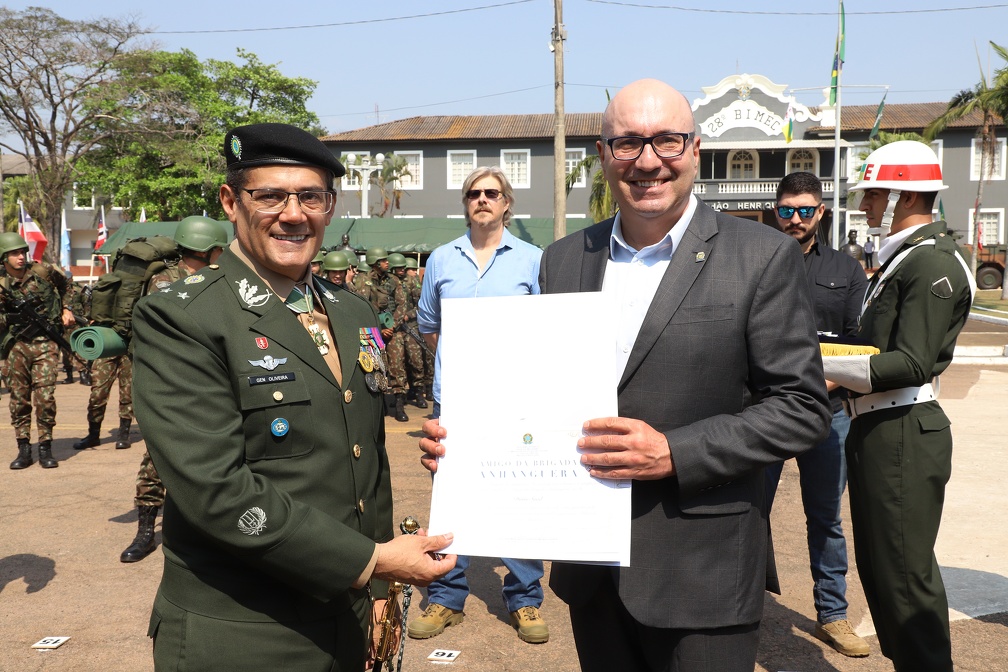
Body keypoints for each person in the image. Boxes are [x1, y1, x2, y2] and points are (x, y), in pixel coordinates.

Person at [421, 80, 830, 670]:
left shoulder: (761, 256)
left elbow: (801, 407)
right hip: (592, 572)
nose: (647, 161)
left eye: (667, 140)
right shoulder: (564, 259)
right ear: (603, 153)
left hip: (702, 573)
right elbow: (536, 391)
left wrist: (675, 451)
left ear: (694, 149)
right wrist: (465, 443)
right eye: (628, 143)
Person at [131, 122, 455, 671]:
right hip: (247, 631)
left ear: (330, 207)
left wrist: (376, 593)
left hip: (347, 617)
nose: (293, 213)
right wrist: (372, 562)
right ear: (231, 202)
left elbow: (364, 459)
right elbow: (214, 489)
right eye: (270, 195)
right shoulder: (183, 315)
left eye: (311, 196)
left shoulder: (349, 311)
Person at [825, 140, 975, 672]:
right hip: (879, 426)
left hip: (904, 428)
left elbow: (911, 362)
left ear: (905, 194)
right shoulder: (905, 258)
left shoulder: (930, 260)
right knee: (884, 570)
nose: (866, 205)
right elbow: (872, 350)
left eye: (874, 194)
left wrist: (821, 365)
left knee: (906, 577)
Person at [410, 166, 548, 645]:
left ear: (507, 203)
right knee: (452, 498)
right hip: (456, 399)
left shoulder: (533, 260)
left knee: (519, 493)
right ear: (465, 203)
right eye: (474, 193)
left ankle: (525, 598)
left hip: (517, 400)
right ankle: (447, 597)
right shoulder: (442, 260)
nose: (482, 199)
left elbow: (550, 325)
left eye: (492, 193)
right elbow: (430, 325)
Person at [765, 172, 870, 657]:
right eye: (787, 209)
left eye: (806, 209)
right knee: (748, 514)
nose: (796, 219)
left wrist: (812, 386)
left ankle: (833, 615)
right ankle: (740, 608)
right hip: (762, 412)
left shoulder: (847, 271)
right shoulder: (756, 260)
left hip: (827, 413)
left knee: (825, 518)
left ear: (821, 212)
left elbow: (856, 344)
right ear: (776, 210)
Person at [119, 215, 230, 564]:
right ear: (207, 250)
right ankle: (145, 530)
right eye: (218, 250)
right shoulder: (165, 282)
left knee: (215, 456)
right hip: (173, 384)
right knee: (157, 457)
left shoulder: (218, 280)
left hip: (213, 381)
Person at [2, 232, 75, 470]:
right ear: (4, 257)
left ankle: (46, 447)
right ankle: (24, 448)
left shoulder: (42, 272)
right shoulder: (1, 283)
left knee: (45, 398)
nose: (21, 257)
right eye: (14, 253)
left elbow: (67, 285)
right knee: (19, 399)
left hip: (45, 342)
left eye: (23, 252)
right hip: (15, 346)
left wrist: (66, 308)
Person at [356, 247, 410, 422]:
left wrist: (392, 326)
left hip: (392, 329)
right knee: (374, 365)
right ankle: (380, 404)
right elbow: (361, 306)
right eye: (384, 260)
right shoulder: (363, 281)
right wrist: (378, 328)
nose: (388, 263)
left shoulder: (394, 280)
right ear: (376, 262)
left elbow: (402, 304)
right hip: (372, 330)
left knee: (397, 364)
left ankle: (399, 404)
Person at [388, 252, 427, 409]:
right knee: (397, 363)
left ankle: (418, 392)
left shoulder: (412, 282)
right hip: (394, 329)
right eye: (398, 268)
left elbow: (421, 304)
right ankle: (399, 397)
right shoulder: (388, 283)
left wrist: (408, 316)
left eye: (403, 268)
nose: (401, 271)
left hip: (410, 326)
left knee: (416, 360)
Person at [405, 257, 434, 400]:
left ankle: (428, 387)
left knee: (427, 357)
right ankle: (417, 389)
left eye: (414, 270)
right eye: (410, 270)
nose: (413, 273)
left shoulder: (419, 284)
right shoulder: (400, 284)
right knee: (414, 360)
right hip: (409, 327)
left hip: (422, 324)